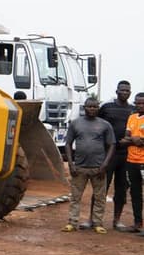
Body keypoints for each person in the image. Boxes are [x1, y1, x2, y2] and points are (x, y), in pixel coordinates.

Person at [61, 98, 115, 234]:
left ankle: (98, 223)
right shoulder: (76, 123)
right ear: (84, 107)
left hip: (98, 168)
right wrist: (71, 163)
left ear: (98, 108)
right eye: (89, 107)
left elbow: (112, 145)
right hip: (79, 167)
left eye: (95, 107)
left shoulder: (105, 125)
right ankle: (72, 222)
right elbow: (68, 143)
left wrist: (105, 165)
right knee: (75, 197)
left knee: (100, 197)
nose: (92, 109)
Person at [91, 80, 135, 230]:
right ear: (116, 91)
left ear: (130, 92)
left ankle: (116, 221)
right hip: (107, 154)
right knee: (101, 187)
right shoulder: (107, 108)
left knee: (122, 189)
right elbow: (97, 126)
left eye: (127, 90)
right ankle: (93, 219)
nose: (124, 92)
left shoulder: (133, 110)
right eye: (122, 90)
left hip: (126, 155)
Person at [123, 92, 144, 233]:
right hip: (131, 161)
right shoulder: (131, 117)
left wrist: (133, 140)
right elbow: (126, 138)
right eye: (137, 103)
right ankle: (137, 223)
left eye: (142, 103)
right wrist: (135, 140)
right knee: (135, 193)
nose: (139, 105)